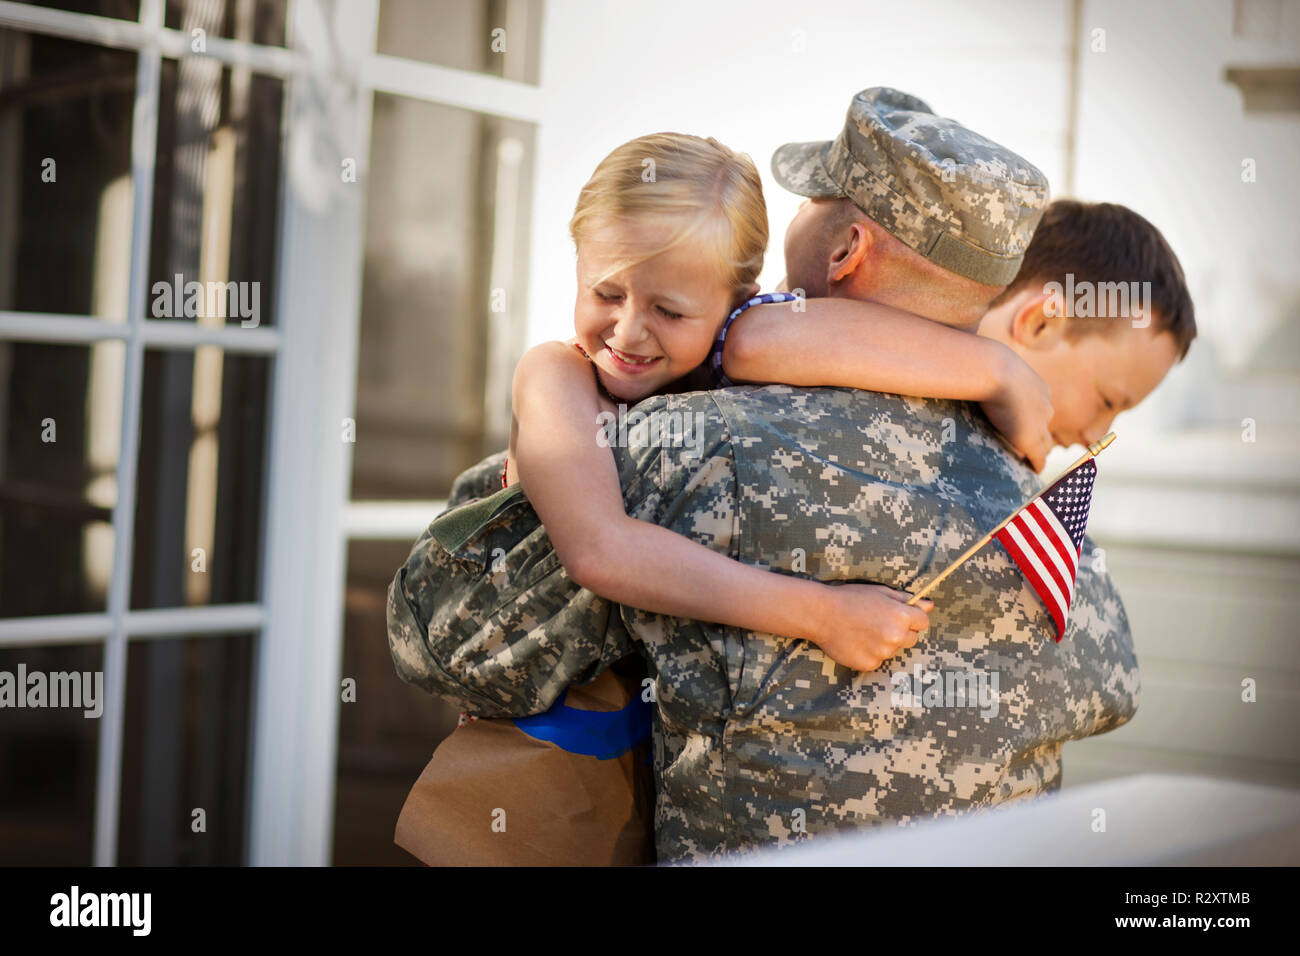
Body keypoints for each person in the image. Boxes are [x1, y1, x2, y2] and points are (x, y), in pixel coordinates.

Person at [388, 88, 1196, 862]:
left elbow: (439, 637)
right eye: (608, 292)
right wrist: (999, 374)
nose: (632, 329)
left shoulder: (683, 442)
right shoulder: (1050, 525)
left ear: (843, 249)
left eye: (811, 198)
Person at [508, 129, 1059, 675]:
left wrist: (1004, 371)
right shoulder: (557, 375)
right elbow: (600, 551)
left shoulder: (742, 341)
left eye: (669, 312)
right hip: (535, 703)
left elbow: (773, 338)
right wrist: (821, 615)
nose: (627, 333)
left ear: (739, 300)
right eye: (607, 293)